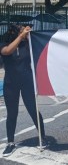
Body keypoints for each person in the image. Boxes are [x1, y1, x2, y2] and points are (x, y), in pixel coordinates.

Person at [0, 24, 48, 157]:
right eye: (21, 29)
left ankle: (43, 137)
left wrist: (30, 37)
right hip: (11, 83)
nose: (25, 31)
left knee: (33, 109)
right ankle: (10, 143)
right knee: (12, 113)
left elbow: (42, 48)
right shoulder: (4, 43)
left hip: (27, 81)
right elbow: (7, 51)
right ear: (15, 32)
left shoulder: (27, 43)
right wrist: (21, 37)